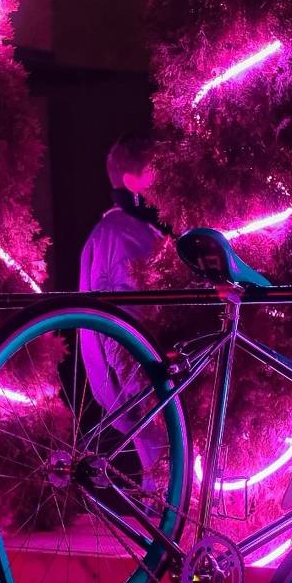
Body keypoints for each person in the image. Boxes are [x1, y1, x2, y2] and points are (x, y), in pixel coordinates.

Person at [79, 132, 167, 484]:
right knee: (167, 482)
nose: (167, 176)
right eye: (157, 168)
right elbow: (122, 325)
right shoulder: (119, 235)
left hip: (149, 385)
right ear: (132, 181)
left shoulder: (132, 228)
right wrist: (143, 387)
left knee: (167, 482)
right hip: (147, 386)